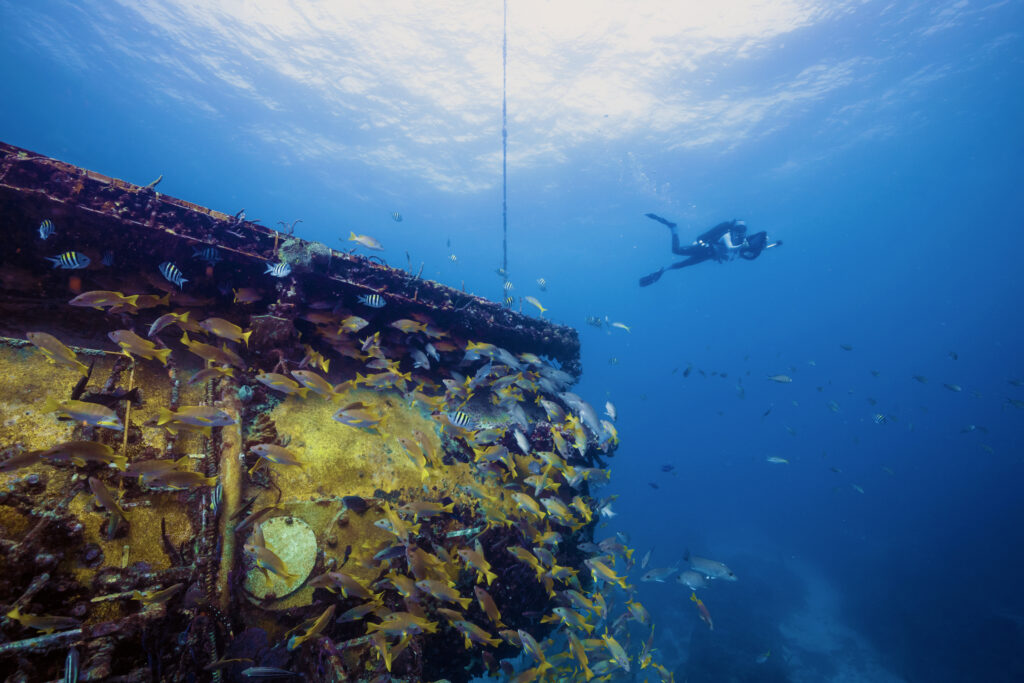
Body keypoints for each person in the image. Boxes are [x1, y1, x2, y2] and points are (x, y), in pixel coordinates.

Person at [639, 213, 782, 287]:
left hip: (709, 255)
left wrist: (773, 245)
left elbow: (759, 249)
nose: (741, 231)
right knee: (676, 251)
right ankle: (673, 228)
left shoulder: (740, 240)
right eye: (739, 228)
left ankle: (663, 270)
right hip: (705, 249)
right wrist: (742, 246)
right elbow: (730, 247)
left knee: (683, 264)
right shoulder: (727, 235)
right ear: (734, 227)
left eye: (743, 229)